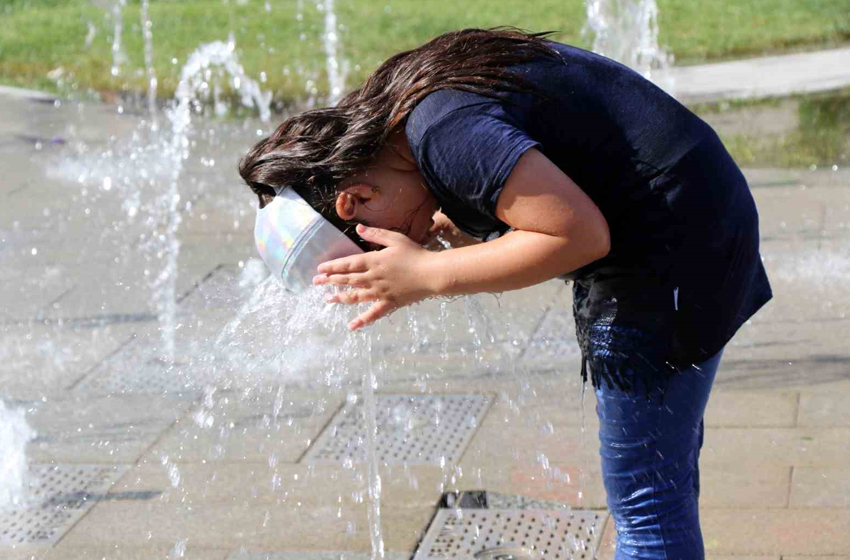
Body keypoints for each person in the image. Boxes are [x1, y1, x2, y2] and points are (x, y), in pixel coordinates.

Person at [239, 28, 772, 560]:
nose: (410, 243)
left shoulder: (444, 133)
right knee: (661, 468)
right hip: (692, 209)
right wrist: (473, 217)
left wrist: (425, 274)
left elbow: (579, 235)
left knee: (645, 500)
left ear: (355, 198)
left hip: (674, 243)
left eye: (384, 247)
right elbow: (553, 175)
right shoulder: (407, 108)